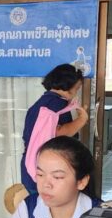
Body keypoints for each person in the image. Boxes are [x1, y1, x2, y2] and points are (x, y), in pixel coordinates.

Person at [20, 63, 88, 194]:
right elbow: (59, 133)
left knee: (37, 203)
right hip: (47, 171)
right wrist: (82, 119)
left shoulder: (42, 102)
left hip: (31, 166)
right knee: (50, 205)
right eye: (77, 88)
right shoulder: (58, 103)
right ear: (68, 85)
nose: (76, 92)